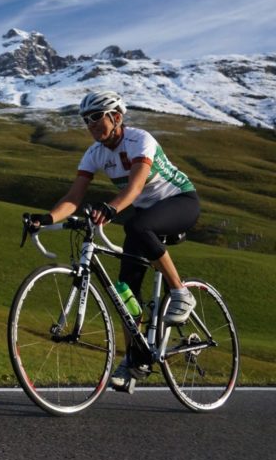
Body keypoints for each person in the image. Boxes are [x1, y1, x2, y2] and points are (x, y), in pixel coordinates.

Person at [28, 90, 200, 392]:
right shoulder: (94, 154)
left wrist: (111, 208)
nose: (91, 124)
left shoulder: (139, 140)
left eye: (96, 117)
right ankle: (135, 359)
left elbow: (134, 187)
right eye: (86, 120)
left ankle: (181, 292)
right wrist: (45, 219)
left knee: (138, 225)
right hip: (146, 218)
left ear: (116, 117)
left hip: (180, 201)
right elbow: (73, 198)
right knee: (125, 293)